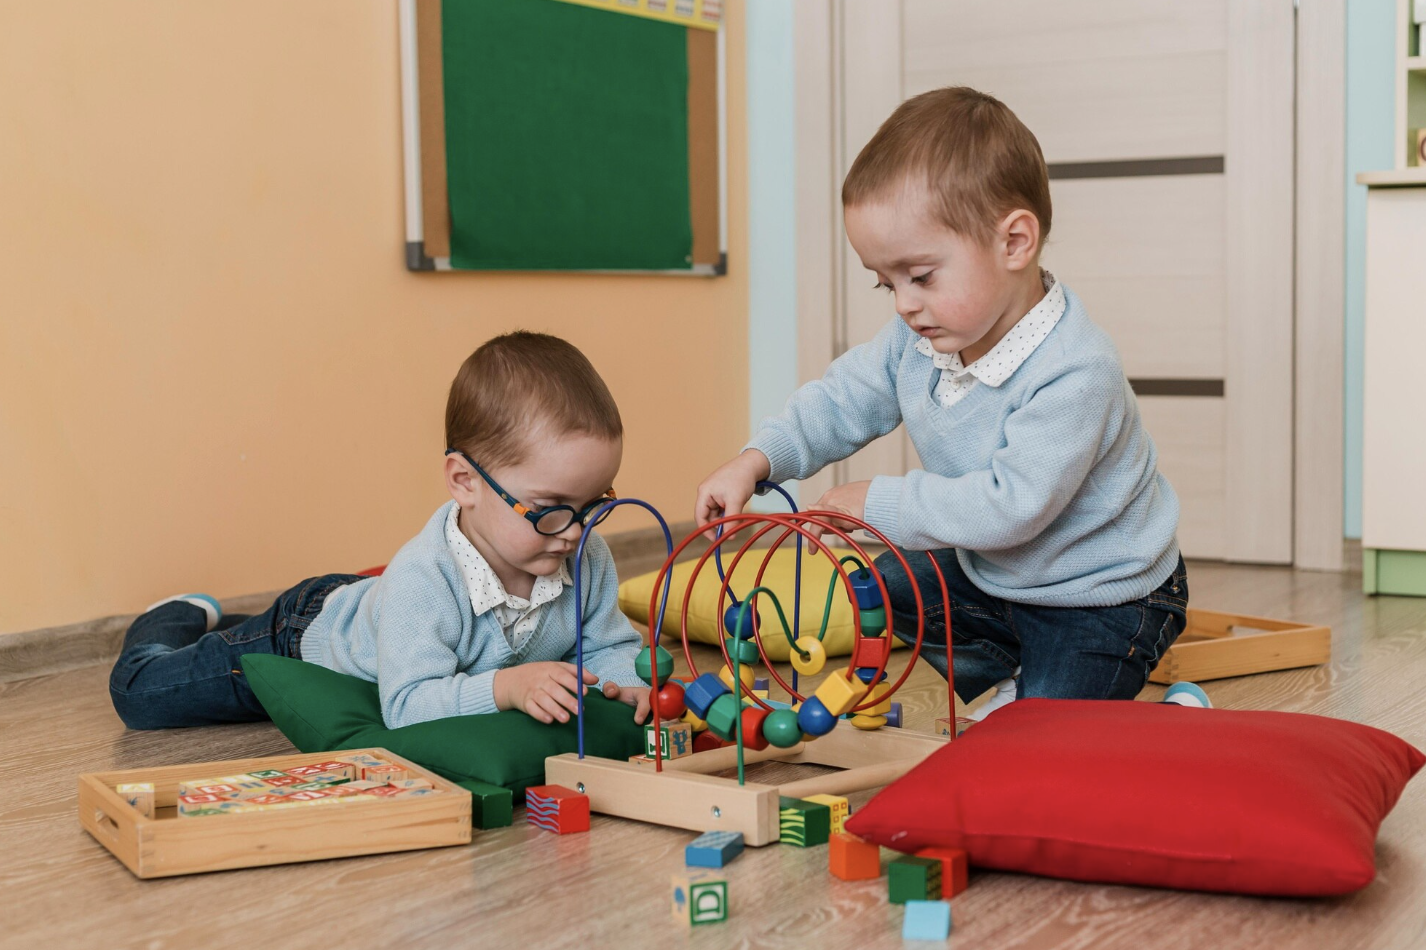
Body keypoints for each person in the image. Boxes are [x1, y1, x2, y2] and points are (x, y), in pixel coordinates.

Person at [695, 87, 1195, 717]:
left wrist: (877, 503)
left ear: (1015, 243)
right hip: (997, 576)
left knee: (1049, 734)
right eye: (887, 283)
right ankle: (1011, 677)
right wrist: (758, 459)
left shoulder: (1076, 369)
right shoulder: (919, 338)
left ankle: (1166, 717)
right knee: (884, 585)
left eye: (922, 276)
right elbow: (842, 400)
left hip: (1102, 598)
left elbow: (1012, 506)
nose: (905, 304)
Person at [111, 332, 652, 730]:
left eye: (595, 505)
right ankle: (174, 617)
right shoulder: (425, 579)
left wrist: (629, 684)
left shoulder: (586, 555)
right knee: (141, 694)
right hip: (300, 635)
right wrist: (504, 687)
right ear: (465, 482)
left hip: (376, 606)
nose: (576, 532)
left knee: (347, 615)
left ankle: (227, 624)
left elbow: (609, 645)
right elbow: (407, 704)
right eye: (550, 509)